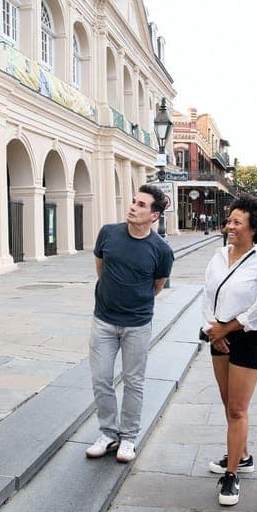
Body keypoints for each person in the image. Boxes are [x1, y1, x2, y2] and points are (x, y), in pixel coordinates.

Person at [86, 184, 174, 463]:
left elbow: (157, 286)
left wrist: (135, 302)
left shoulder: (161, 250)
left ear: (154, 215)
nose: (133, 207)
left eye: (141, 205)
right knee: (101, 378)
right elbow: (101, 267)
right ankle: (108, 433)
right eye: (134, 201)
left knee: (133, 381)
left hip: (137, 324)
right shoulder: (108, 233)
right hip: (104, 320)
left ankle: (128, 438)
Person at [200, 196, 257, 506]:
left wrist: (227, 328)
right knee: (226, 399)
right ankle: (241, 455)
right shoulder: (219, 256)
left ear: (253, 228)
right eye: (229, 221)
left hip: (248, 337)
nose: (229, 226)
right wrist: (213, 329)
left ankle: (231, 475)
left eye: (237, 222)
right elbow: (208, 295)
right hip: (218, 335)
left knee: (237, 408)